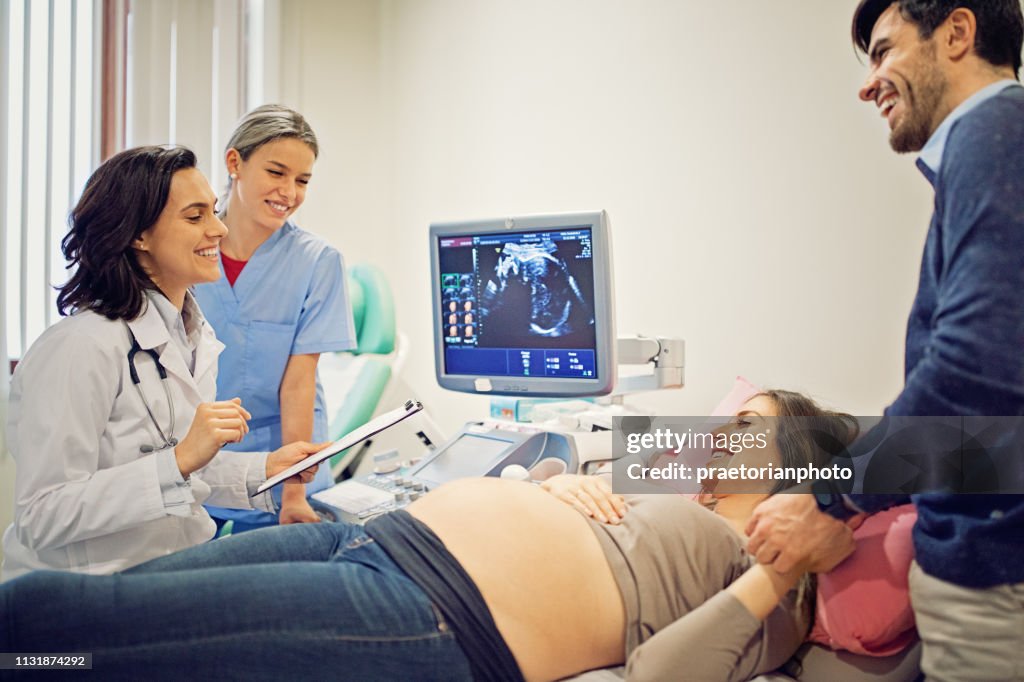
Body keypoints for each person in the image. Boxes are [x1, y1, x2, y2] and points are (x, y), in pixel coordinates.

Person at [0, 391, 858, 681]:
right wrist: (567, 483)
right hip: (379, 543)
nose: (714, 431)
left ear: (795, 465)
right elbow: (537, 484)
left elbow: (662, 673)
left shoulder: (770, 579)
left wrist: (779, 575)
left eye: (745, 423)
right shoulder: (676, 494)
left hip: (426, 611)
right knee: (119, 602)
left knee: (83, 627)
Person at [745, 3, 1024, 680]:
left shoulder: (995, 131)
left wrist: (827, 497)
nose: (866, 84)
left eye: (883, 51)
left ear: (957, 33)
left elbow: (975, 375)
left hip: (995, 570)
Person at [0, 146, 323, 581]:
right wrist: (180, 460)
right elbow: (42, 515)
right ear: (138, 235)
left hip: (170, 569)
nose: (220, 229)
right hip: (85, 591)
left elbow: (179, 468)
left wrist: (268, 468)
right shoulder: (80, 347)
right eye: (195, 217)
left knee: (324, 555)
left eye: (213, 212)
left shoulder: (191, 335)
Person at [193, 105, 357, 532]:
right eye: (276, 172)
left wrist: (293, 491)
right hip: (200, 453)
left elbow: (299, 382)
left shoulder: (317, 262)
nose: (289, 191)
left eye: (302, 180)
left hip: (286, 458)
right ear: (235, 163)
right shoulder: (190, 250)